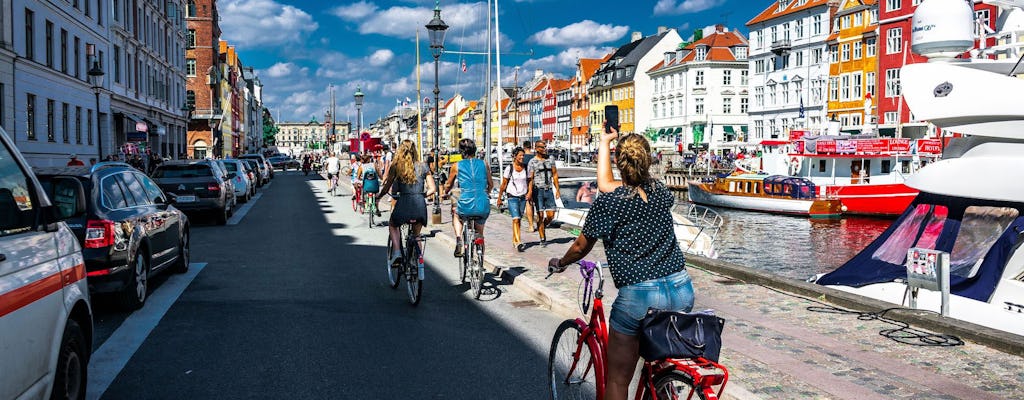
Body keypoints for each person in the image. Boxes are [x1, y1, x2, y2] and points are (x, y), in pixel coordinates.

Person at [549, 126, 694, 400]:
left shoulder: (609, 203)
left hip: (639, 296)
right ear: (649, 160)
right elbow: (610, 184)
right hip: (681, 288)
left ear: (619, 162)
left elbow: (581, 246)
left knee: (617, 379)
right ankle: (663, 385)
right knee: (656, 362)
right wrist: (605, 142)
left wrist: (562, 262)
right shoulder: (661, 192)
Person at [379, 140, 436, 266]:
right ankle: (418, 261)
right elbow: (433, 189)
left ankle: (398, 252)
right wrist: (421, 195)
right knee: (417, 235)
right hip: (420, 206)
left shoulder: (396, 166)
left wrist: (379, 196)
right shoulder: (423, 166)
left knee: (393, 225)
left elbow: (387, 186)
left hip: (404, 204)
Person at [442, 139, 494, 258]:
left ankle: (459, 239)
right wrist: (487, 193)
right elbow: (490, 184)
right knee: (480, 233)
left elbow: (449, 184)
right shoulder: (484, 164)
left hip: (465, 204)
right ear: (475, 150)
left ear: (461, 152)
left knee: (455, 213)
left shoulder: (456, 166)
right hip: (483, 204)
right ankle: (480, 260)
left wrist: (445, 192)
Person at [526, 141, 559, 247]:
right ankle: (542, 238)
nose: (544, 149)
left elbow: (554, 174)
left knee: (551, 215)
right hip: (538, 190)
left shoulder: (550, 159)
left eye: (545, 147)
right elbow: (530, 179)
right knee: (540, 215)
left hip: (548, 189)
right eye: (542, 147)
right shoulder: (532, 162)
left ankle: (542, 226)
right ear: (536, 148)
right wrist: (530, 192)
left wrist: (557, 189)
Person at [495, 147, 528, 252]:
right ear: (514, 156)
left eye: (523, 155)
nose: (522, 157)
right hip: (512, 196)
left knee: (519, 220)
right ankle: (518, 242)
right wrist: (499, 198)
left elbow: (529, 181)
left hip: (523, 196)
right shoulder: (510, 168)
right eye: (520, 155)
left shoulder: (526, 167)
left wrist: (530, 192)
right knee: (516, 219)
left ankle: (515, 240)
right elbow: (503, 184)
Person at [521, 141, 536, 232]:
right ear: (531, 147)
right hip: (536, 182)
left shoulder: (522, 158)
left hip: (526, 182)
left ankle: (531, 225)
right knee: (535, 204)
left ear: (524, 147)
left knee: (528, 203)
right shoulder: (535, 157)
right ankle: (538, 223)